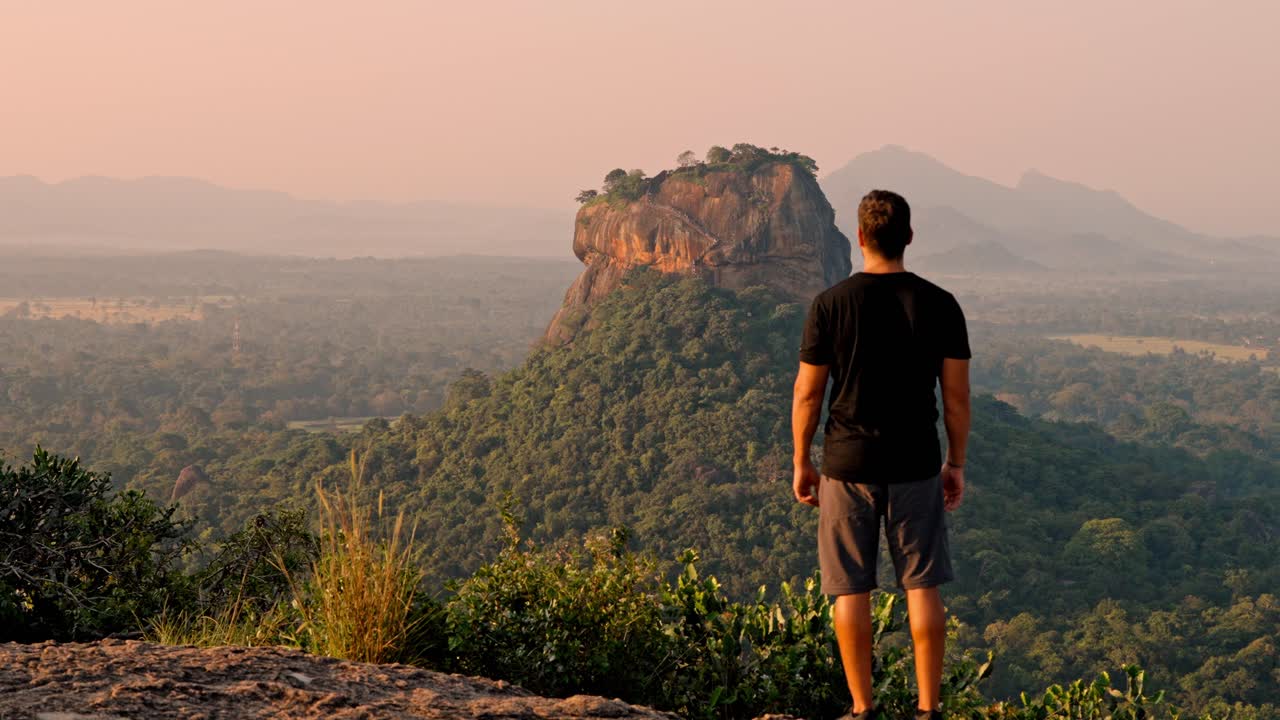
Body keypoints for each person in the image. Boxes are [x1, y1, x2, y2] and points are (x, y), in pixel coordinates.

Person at [792, 189, 971, 720]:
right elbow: (956, 397)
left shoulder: (830, 304)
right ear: (909, 237)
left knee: (850, 587)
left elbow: (808, 394)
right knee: (923, 584)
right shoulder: (940, 304)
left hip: (847, 467)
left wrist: (803, 460)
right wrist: (955, 462)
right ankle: (928, 708)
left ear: (862, 236)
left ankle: (863, 708)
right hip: (916, 461)